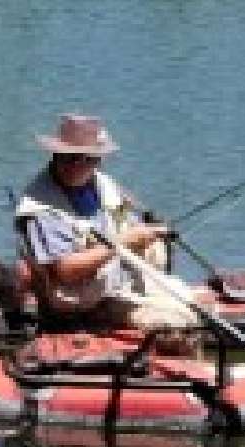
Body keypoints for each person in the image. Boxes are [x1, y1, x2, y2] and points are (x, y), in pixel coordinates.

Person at [14, 113, 204, 335]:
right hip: (81, 301)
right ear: (55, 154)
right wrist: (122, 243)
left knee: (193, 300)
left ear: (98, 160)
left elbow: (128, 221)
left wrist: (154, 231)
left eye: (87, 158)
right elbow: (65, 271)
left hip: (118, 280)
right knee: (179, 319)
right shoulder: (40, 207)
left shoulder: (103, 184)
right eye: (68, 157)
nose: (76, 165)